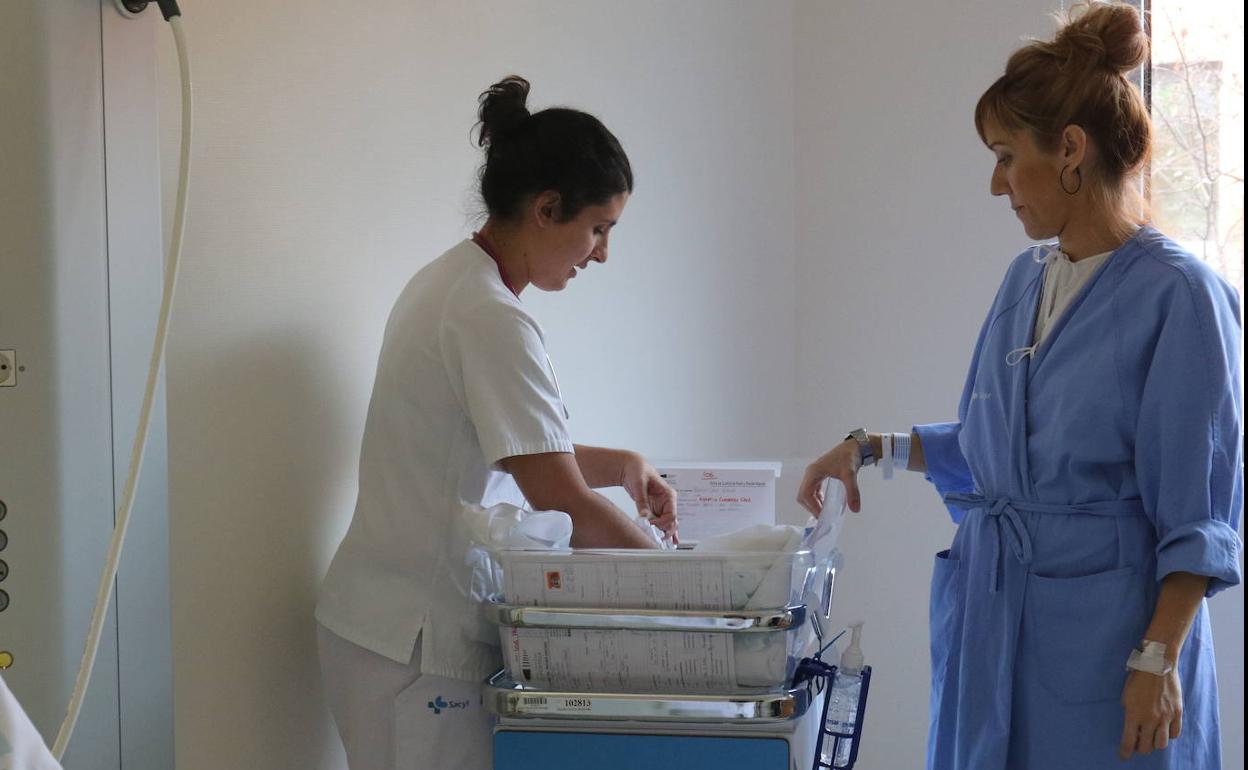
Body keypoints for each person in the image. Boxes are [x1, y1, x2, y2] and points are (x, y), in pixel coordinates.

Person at [797, 4, 1242, 769]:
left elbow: (1199, 513)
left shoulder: (1181, 296)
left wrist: (1156, 660)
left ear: (1069, 150)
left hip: (1108, 646)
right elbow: (999, 451)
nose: (996, 182)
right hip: (997, 621)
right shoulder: (1025, 280)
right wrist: (869, 448)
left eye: (1007, 155)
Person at [315, 75, 677, 770]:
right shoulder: (489, 316)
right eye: (598, 229)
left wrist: (623, 464)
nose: (601, 253)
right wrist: (674, 587)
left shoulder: (452, 282)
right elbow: (560, 496)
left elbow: (513, 447)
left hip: (383, 624)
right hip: (413, 643)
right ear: (547, 209)